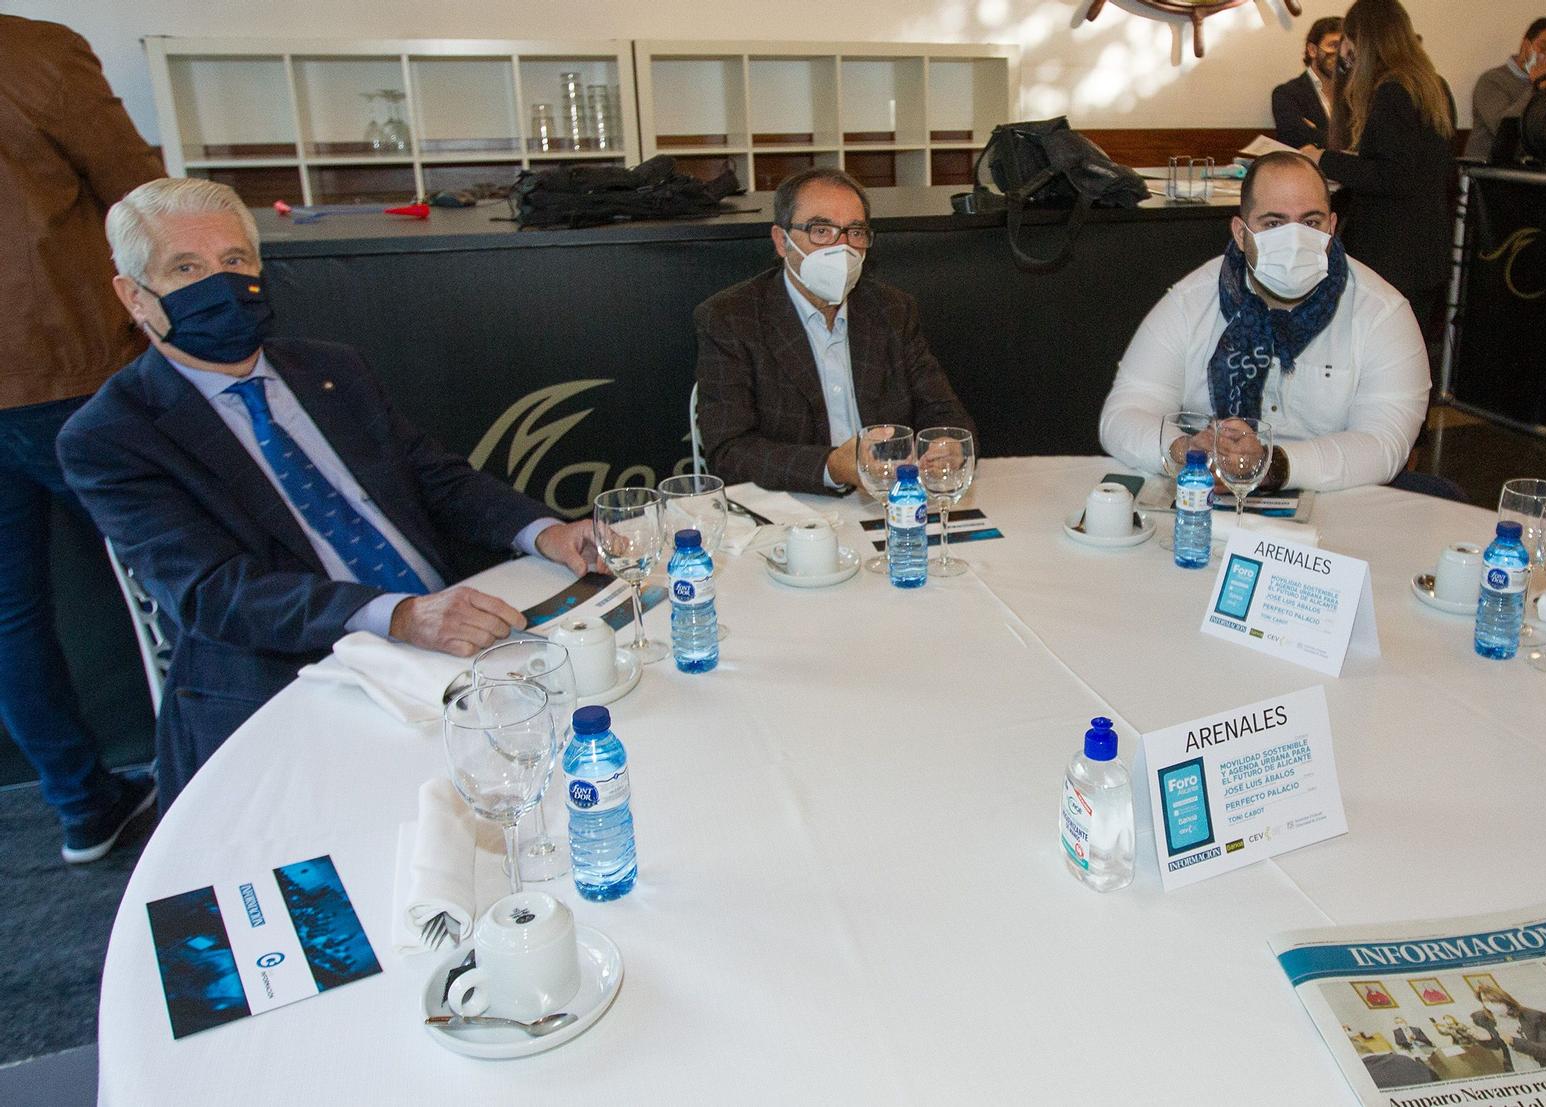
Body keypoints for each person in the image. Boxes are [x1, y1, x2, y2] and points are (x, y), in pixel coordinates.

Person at [56, 179, 602, 810]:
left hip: (454, 640)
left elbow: (438, 479)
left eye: (235, 262)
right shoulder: (112, 435)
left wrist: (548, 531)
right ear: (134, 296)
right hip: (294, 672)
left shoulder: (332, 369)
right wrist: (396, 614)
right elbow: (214, 594)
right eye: (186, 269)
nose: (220, 285)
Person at [0, 15, 166, 863]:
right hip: (66, 369)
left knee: (10, 616)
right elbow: (145, 202)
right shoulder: (32, 53)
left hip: (38, 375)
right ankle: (200, 779)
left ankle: (80, 804)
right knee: (179, 574)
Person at [1097, 152, 1430, 492]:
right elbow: (1124, 414)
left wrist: (1269, 465)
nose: (1295, 239)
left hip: (1338, 507)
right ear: (1241, 234)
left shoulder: (1382, 313)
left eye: (1310, 223)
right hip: (1207, 498)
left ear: (1331, 228)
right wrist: (1185, 451)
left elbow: (1384, 443)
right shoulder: (1190, 301)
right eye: (1273, 224)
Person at [694, 168, 973, 495]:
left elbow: (944, 412)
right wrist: (833, 466)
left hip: (891, 501)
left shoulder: (891, 310)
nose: (842, 247)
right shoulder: (731, 318)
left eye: (855, 231)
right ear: (782, 241)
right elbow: (729, 452)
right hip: (793, 508)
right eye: (821, 230)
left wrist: (948, 445)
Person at [1305, 0, 1458, 356]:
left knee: (1379, 358)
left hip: (1391, 250)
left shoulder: (1391, 90)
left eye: (1347, 38)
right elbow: (1417, 165)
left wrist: (1323, 158)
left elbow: (1393, 175)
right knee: (1408, 358)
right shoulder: (1432, 85)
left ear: (1362, 39)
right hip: (1426, 247)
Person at [1466, 17, 1546, 161]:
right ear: (1526, 45)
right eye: (1543, 47)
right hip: (1490, 168)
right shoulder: (1492, 80)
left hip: (1534, 168)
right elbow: (1502, 128)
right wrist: (1536, 88)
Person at [1271, 17, 1345, 153]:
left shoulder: (1356, 94)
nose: (1341, 54)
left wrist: (1316, 133)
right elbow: (1295, 140)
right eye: (1334, 46)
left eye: (1345, 47)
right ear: (1312, 50)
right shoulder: (1286, 94)